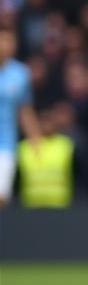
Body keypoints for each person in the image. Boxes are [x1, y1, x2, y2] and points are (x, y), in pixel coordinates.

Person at [0, 26, 41, 207]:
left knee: (2, 196)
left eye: (9, 41)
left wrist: (35, 138)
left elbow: (25, 110)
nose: (5, 45)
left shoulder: (20, 74)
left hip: (6, 145)